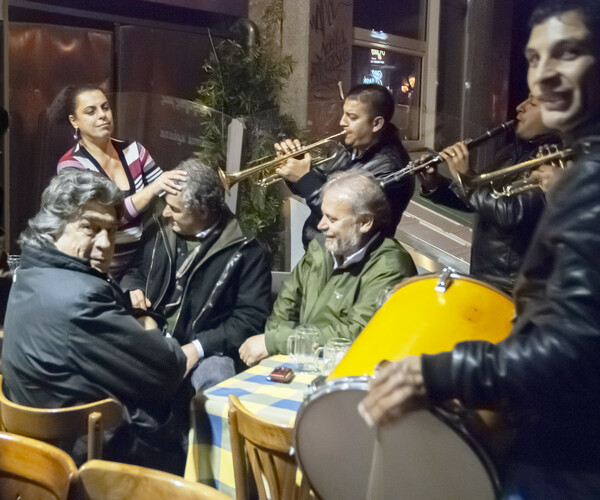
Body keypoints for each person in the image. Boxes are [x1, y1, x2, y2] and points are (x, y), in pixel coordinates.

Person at [359, 1, 600, 496]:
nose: (543, 78)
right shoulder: (580, 165)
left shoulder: (587, 177)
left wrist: (437, 371)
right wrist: (442, 185)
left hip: (569, 452)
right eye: (534, 59)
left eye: (568, 53)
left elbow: (575, 346)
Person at [1, 168, 197, 474]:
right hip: (100, 463)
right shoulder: (82, 299)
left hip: (40, 455)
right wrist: (145, 320)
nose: (107, 244)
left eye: (111, 230)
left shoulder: (27, 275)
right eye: (91, 227)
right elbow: (171, 367)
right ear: (54, 228)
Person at [120, 158, 272, 390]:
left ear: (202, 211)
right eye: (166, 204)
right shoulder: (161, 226)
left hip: (208, 348)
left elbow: (250, 319)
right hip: (151, 331)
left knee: (217, 381)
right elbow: (136, 269)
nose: (167, 213)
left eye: (176, 209)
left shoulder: (248, 249)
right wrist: (132, 287)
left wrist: (198, 348)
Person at [240, 171, 417, 366]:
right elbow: (285, 307)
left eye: (332, 219)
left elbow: (356, 334)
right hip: (298, 361)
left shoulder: (390, 265)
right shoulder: (320, 248)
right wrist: (274, 355)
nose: (321, 225)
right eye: (323, 214)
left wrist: (275, 341)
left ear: (365, 222)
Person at [419, 93, 561, 293]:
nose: (520, 106)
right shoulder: (513, 151)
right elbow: (479, 201)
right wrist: (436, 185)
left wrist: (465, 175)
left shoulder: (555, 159)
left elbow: (510, 213)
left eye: (533, 102)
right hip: (486, 277)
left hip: (514, 288)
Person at [56, 85, 187, 278]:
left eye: (105, 107)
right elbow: (107, 220)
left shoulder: (134, 150)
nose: (102, 115)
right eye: (91, 111)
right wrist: (152, 189)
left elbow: (165, 189)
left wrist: (191, 187)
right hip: (99, 269)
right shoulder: (71, 166)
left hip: (145, 262)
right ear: (74, 121)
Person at [274, 83, 414, 246]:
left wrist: (305, 179)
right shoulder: (348, 146)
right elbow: (320, 183)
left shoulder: (392, 168)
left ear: (376, 124)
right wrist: (296, 169)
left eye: (352, 117)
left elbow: (349, 218)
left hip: (352, 258)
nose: (342, 122)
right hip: (321, 250)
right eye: (343, 114)